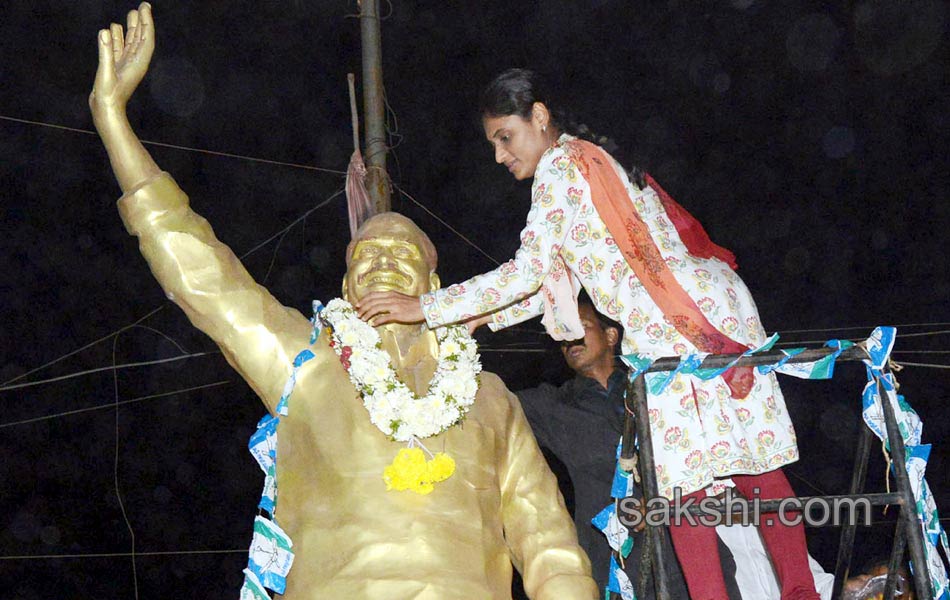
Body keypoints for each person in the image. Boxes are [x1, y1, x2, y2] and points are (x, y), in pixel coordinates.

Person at [89, 6, 598, 599]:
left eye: (400, 255)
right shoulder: (302, 363)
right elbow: (196, 267)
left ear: (433, 288)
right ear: (346, 288)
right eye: (364, 259)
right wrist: (112, 121)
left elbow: (551, 552)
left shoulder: (491, 401)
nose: (380, 262)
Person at [357, 68, 821, 599]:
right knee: (746, 460)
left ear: (539, 116)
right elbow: (553, 285)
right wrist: (477, 318)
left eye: (504, 137)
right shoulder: (589, 158)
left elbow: (526, 271)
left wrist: (425, 306)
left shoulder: (560, 167)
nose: (499, 156)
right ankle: (801, 592)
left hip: (677, 322)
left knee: (683, 485)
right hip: (710, 306)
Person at [516, 293, 740, 599]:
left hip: (688, 548)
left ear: (611, 336)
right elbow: (484, 398)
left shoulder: (657, 388)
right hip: (615, 564)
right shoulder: (553, 406)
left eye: (580, 325)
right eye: (563, 331)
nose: (571, 338)